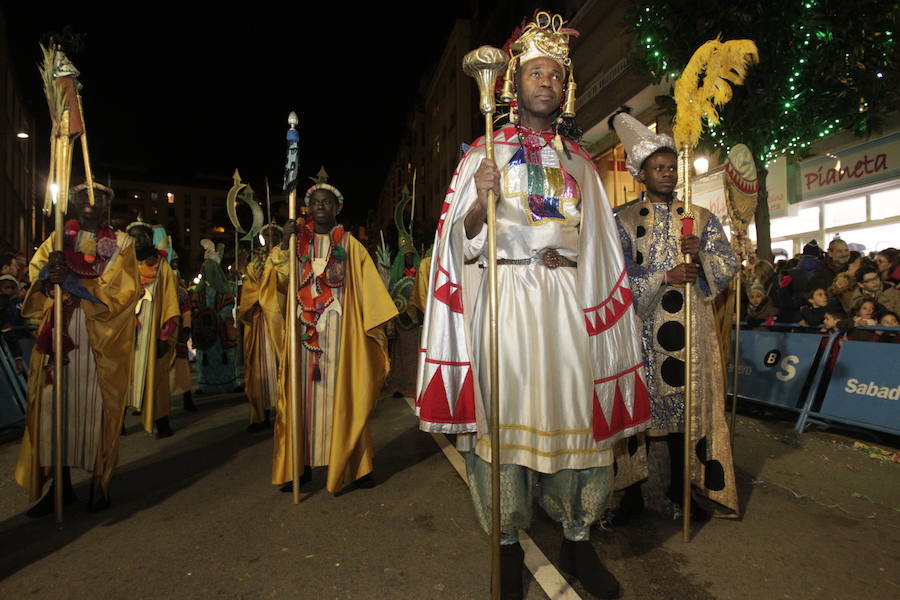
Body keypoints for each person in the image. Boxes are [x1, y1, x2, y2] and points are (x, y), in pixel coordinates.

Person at [416, 13, 650, 599]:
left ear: (565, 87)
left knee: (577, 419)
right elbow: (456, 241)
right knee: (502, 420)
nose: (545, 81)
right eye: (534, 73)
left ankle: (577, 539)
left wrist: (604, 314)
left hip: (568, 306)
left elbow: (600, 244)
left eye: (555, 73)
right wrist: (479, 204)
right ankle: (504, 552)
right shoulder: (482, 152)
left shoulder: (578, 162)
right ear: (514, 86)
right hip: (506, 304)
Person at [610, 110, 740, 525]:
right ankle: (629, 497)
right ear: (641, 174)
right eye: (658, 168)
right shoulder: (623, 220)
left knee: (688, 413)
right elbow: (611, 280)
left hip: (692, 334)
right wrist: (663, 276)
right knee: (636, 417)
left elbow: (726, 266)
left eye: (670, 167)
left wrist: (701, 251)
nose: (666, 174)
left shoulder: (699, 217)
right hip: (639, 332)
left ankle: (683, 491)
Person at [260, 179, 397, 494]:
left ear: (338, 208)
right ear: (307, 208)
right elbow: (278, 283)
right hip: (303, 335)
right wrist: (283, 245)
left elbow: (370, 294)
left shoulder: (350, 245)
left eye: (327, 202)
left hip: (340, 335)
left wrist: (375, 329)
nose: (321, 206)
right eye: (316, 202)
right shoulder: (294, 244)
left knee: (346, 396)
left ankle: (357, 466)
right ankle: (299, 466)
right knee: (300, 400)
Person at [16, 182, 141, 515]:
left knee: (96, 410)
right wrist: (47, 277)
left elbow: (125, 292)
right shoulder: (56, 239)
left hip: (98, 338)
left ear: (106, 206)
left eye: (98, 197)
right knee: (55, 408)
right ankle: (61, 485)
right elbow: (34, 276)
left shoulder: (122, 244)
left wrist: (77, 280)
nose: (90, 202)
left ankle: (100, 482)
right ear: (70, 203)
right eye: (82, 196)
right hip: (58, 333)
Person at [126, 222, 180, 438]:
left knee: (157, 379)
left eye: (143, 236)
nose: (139, 241)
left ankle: (162, 421)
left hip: (153, 332)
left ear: (151, 239)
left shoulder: (162, 266)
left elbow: (170, 301)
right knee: (121, 378)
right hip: (125, 333)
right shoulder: (120, 264)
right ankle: (117, 422)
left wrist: (164, 335)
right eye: (134, 236)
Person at [239, 224, 282, 432]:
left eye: (275, 234)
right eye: (267, 235)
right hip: (260, 323)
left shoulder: (286, 258)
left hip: (280, 322)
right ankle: (261, 414)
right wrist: (254, 301)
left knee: (281, 365)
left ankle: (283, 413)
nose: (271, 237)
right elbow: (249, 288)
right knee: (259, 368)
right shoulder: (254, 264)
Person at [190, 240, 240, 394]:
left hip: (221, 331)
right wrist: (202, 318)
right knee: (206, 358)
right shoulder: (200, 291)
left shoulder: (224, 290)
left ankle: (229, 383)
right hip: (206, 333)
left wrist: (217, 317)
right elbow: (195, 307)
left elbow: (228, 306)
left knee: (225, 358)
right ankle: (205, 384)